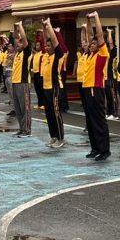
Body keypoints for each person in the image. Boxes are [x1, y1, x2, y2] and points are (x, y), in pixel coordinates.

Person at [80, 12, 110, 158]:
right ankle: (95, 148)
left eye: (94, 43)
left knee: (98, 120)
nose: (91, 45)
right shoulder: (89, 55)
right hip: (87, 89)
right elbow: (89, 35)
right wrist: (87, 21)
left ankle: (104, 150)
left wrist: (96, 17)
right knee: (90, 121)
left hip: (96, 89)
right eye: (90, 44)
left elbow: (98, 35)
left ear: (99, 45)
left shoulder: (102, 54)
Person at [40, 17, 67, 149]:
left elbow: (54, 41)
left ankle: (61, 138)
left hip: (55, 88)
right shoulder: (46, 56)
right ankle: (54, 136)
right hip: (46, 88)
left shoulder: (58, 55)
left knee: (56, 113)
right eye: (46, 45)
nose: (46, 47)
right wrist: (44, 28)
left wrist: (49, 25)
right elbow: (47, 40)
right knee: (49, 114)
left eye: (49, 46)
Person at [8, 22, 32, 136]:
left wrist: (21, 26)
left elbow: (23, 39)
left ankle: (27, 130)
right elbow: (16, 38)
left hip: (23, 83)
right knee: (18, 109)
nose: (18, 43)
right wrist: (15, 27)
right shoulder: (17, 54)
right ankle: (22, 129)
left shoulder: (26, 53)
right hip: (15, 82)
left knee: (25, 108)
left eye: (20, 42)